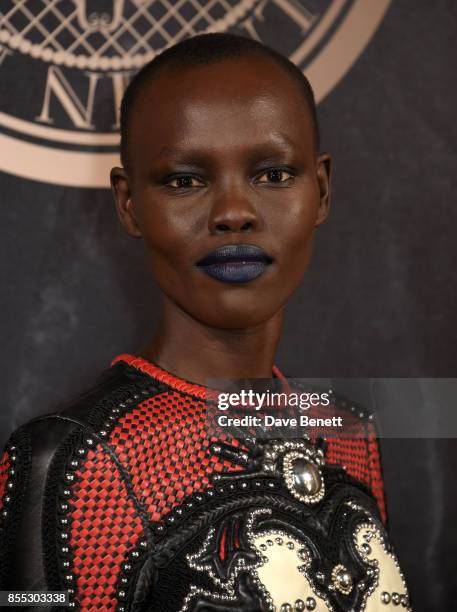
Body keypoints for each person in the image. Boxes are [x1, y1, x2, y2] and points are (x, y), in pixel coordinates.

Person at [0, 33, 411, 611]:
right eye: (185, 181)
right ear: (128, 203)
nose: (234, 213)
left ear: (320, 190)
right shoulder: (74, 462)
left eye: (272, 174)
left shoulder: (349, 432)